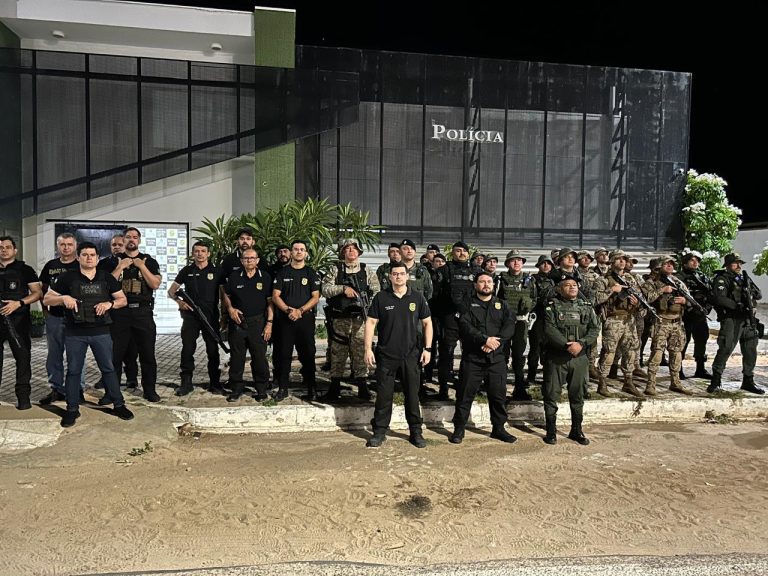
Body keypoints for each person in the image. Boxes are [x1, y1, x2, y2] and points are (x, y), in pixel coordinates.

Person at [42, 242, 133, 427]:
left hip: (101, 332)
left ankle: (119, 405)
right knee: (74, 371)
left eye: (92, 255)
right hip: (75, 333)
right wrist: (63, 298)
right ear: (78, 258)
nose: (89, 258)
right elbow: (47, 299)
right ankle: (72, 409)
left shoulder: (106, 277)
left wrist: (109, 304)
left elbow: (122, 300)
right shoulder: (68, 277)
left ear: (97, 258)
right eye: (85, 254)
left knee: (108, 369)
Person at [363, 262, 432, 448]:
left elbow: (427, 323)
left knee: (412, 396)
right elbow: (370, 323)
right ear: (390, 277)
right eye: (395, 274)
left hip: (411, 355)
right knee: (384, 396)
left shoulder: (417, 297)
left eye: (402, 273)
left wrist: (427, 349)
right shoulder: (381, 297)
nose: (399, 276)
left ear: (407, 276)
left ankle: (416, 432)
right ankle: (379, 432)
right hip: (387, 355)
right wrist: (367, 349)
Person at [450, 272, 517, 444]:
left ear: (493, 285)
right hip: (473, 358)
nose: (486, 284)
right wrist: (484, 339)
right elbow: (464, 326)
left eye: (489, 281)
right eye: (482, 281)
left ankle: (499, 428)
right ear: (475, 285)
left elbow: (509, 326)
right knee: (465, 395)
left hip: (496, 358)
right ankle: (459, 428)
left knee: (498, 396)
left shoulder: (502, 305)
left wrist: (495, 343)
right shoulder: (466, 304)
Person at [100, 227, 162, 403]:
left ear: (139, 240)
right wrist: (120, 267)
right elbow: (104, 286)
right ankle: (111, 392)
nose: (132, 240)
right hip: (119, 313)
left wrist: (142, 266)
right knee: (114, 356)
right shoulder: (110, 262)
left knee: (147, 354)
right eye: (128, 237)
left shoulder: (149, 261)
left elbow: (155, 284)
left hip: (143, 313)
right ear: (124, 240)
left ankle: (149, 390)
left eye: (135, 237)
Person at [542, 276, 600, 445]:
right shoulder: (551, 306)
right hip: (557, 357)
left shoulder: (586, 307)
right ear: (560, 289)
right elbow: (549, 329)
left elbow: (594, 328)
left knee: (578, 395)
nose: (572, 287)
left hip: (579, 357)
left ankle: (576, 430)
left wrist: (581, 344)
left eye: (574, 285)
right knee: (551, 394)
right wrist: (566, 346)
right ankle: (551, 431)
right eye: (568, 285)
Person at [321, 238, 380, 401]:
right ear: (343, 252)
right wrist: (343, 289)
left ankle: (362, 386)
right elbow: (325, 289)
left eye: (354, 248)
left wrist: (367, 307)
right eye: (347, 249)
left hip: (360, 319)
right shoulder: (336, 269)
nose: (351, 251)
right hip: (340, 318)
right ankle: (335, 386)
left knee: (361, 350)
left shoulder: (367, 270)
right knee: (338, 352)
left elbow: (376, 292)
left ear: (359, 252)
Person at [167, 241, 222, 396]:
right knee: (188, 349)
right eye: (197, 251)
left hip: (210, 316)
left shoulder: (217, 271)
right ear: (193, 254)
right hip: (191, 317)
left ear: (208, 253)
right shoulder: (187, 270)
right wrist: (179, 302)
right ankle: (186, 383)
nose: (200, 254)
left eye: (203, 251)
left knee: (213, 349)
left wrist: (225, 314)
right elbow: (171, 291)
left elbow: (224, 294)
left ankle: (215, 383)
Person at [271, 240, 321, 401]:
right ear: (291, 252)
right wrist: (288, 310)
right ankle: (283, 388)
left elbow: (316, 297)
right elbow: (275, 296)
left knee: (308, 354)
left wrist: (300, 311)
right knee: (284, 354)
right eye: (296, 249)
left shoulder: (311, 273)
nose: (299, 252)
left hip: (305, 320)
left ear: (306, 253)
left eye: (302, 249)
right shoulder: (283, 273)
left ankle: (311, 388)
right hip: (285, 320)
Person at [708, 253, 764, 394]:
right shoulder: (722, 279)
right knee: (726, 347)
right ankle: (716, 380)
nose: (739, 265)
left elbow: (758, 294)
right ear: (728, 265)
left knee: (750, 349)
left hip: (748, 319)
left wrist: (750, 299)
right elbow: (719, 299)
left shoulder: (744, 278)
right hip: (732, 319)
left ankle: (748, 380)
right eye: (735, 263)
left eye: (740, 263)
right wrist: (737, 306)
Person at [222, 248, 274, 401]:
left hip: (258, 322)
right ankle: (236, 389)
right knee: (237, 358)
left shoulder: (265, 277)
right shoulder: (234, 277)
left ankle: (261, 389)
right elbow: (226, 295)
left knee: (259, 357)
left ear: (257, 260)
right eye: (246, 258)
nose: (249, 260)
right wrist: (230, 309)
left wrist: (269, 324)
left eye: (252, 258)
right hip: (238, 322)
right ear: (242, 261)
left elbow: (271, 303)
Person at [39, 233, 83, 405]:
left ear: (75, 246)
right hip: (55, 317)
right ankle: (56, 389)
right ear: (57, 246)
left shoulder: (81, 264)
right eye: (62, 244)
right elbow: (42, 290)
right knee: (54, 355)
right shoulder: (51, 266)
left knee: (77, 355)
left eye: (69, 244)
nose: (66, 247)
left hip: (77, 319)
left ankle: (77, 389)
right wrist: (45, 311)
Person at [641, 256, 694, 396]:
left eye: (672, 264)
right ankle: (651, 384)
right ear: (660, 266)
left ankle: (675, 382)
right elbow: (646, 299)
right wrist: (662, 290)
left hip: (677, 323)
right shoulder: (651, 282)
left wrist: (684, 301)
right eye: (666, 264)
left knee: (676, 353)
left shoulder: (678, 282)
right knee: (657, 353)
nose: (670, 266)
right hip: (661, 322)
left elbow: (690, 300)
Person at [0, 236, 42, 410]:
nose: (3, 250)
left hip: (18, 321)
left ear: (15, 250)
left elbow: (37, 293)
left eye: (7, 247)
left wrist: (18, 303)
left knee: (23, 358)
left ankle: (23, 398)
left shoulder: (25, 269)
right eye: (1, 247)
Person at [435, 241, 481, 400]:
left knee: (470, 353)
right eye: (457, 251)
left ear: (468, 253)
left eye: (464, 251)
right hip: (449, 317)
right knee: (446, 352)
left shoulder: (477, 271)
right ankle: (443, 388)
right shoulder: (444, 270)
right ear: (452, 253)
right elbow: (436, 295)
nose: (461, 253)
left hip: (470, 318)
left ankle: (467, 386)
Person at [593, 250, 643, 397]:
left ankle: (628, 381)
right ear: (611, 261)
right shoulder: (603, 280)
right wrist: (612, 290)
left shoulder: (630, 279)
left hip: (629, 319)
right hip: (613, 319)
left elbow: (640, 297)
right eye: (618, 259)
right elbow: (595, 299)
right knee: (609, 351)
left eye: (624, 259)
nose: (622, 262)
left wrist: (636, 302)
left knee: (630, 350)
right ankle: (602, 382)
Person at [97, 234, 138, 388]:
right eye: (114, 245)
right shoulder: (104, 264)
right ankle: (109, 379)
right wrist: (120, 267)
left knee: (132, 347)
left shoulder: (136, 261)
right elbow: (105, 284)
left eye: (120, 244)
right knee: (113, 348)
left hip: (133, 310)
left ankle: (132, 377)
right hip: (113, 310)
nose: (117, 247)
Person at [498, 249, 536, 400]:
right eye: (513, 260)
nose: (516, 263)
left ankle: (519, 388)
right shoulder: (500, 279)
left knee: (519, 356)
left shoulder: (529, 280)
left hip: (521, 322)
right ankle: (499, 387)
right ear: (508, 263)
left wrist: (529, 305)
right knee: (502, 356)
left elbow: (534, 298)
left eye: (519, 260)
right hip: (504, 323)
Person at [676, 251, 713, 379]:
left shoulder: (702, 276)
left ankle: (700, 369)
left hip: (700, 314)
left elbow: (710, 293)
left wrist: (707, 308)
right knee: (683, 342)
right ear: (685, 263)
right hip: (685, 315)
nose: (695, 262)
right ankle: (678, 369)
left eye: (697, 260)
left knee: (701, 340)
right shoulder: (678, 277)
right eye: (692, 260)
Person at [527, 254, 555, 384]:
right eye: (543, 263)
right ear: (538, 265)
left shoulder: (555, 280)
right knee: (535, 348)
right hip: (537, 316)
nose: (546, 265)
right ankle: (531, 376)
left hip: (551, 318)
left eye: (548, 263)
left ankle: (547, 377)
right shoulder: (533, 279)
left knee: (549, 349)